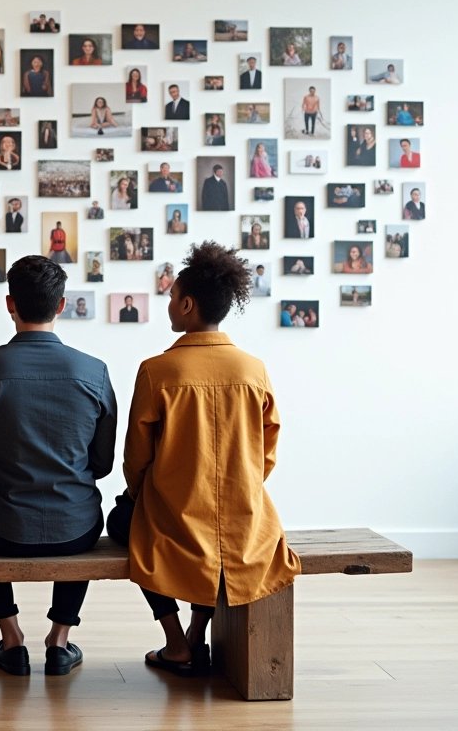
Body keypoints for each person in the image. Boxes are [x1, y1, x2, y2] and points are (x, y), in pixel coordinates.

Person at [122, 241, 300, 676]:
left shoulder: (157, 371)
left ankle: (175, 640)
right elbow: (268, 449)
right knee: (218, 545)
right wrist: (245, 485)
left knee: (124, 524)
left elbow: (136, 458)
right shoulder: (252, 369)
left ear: (187, 305)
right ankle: (197, 633)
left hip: (174, 512)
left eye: (169, 297)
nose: (167, 303)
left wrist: (140, 492)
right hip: (245, 515)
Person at [0, 255, 116, 676]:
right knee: (85, 513)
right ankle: (60, 640)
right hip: (76, 529)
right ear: (61, 305)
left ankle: (11, 637)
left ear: (10, 304)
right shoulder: (94, 371)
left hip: (1, 527)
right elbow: (101, 463)